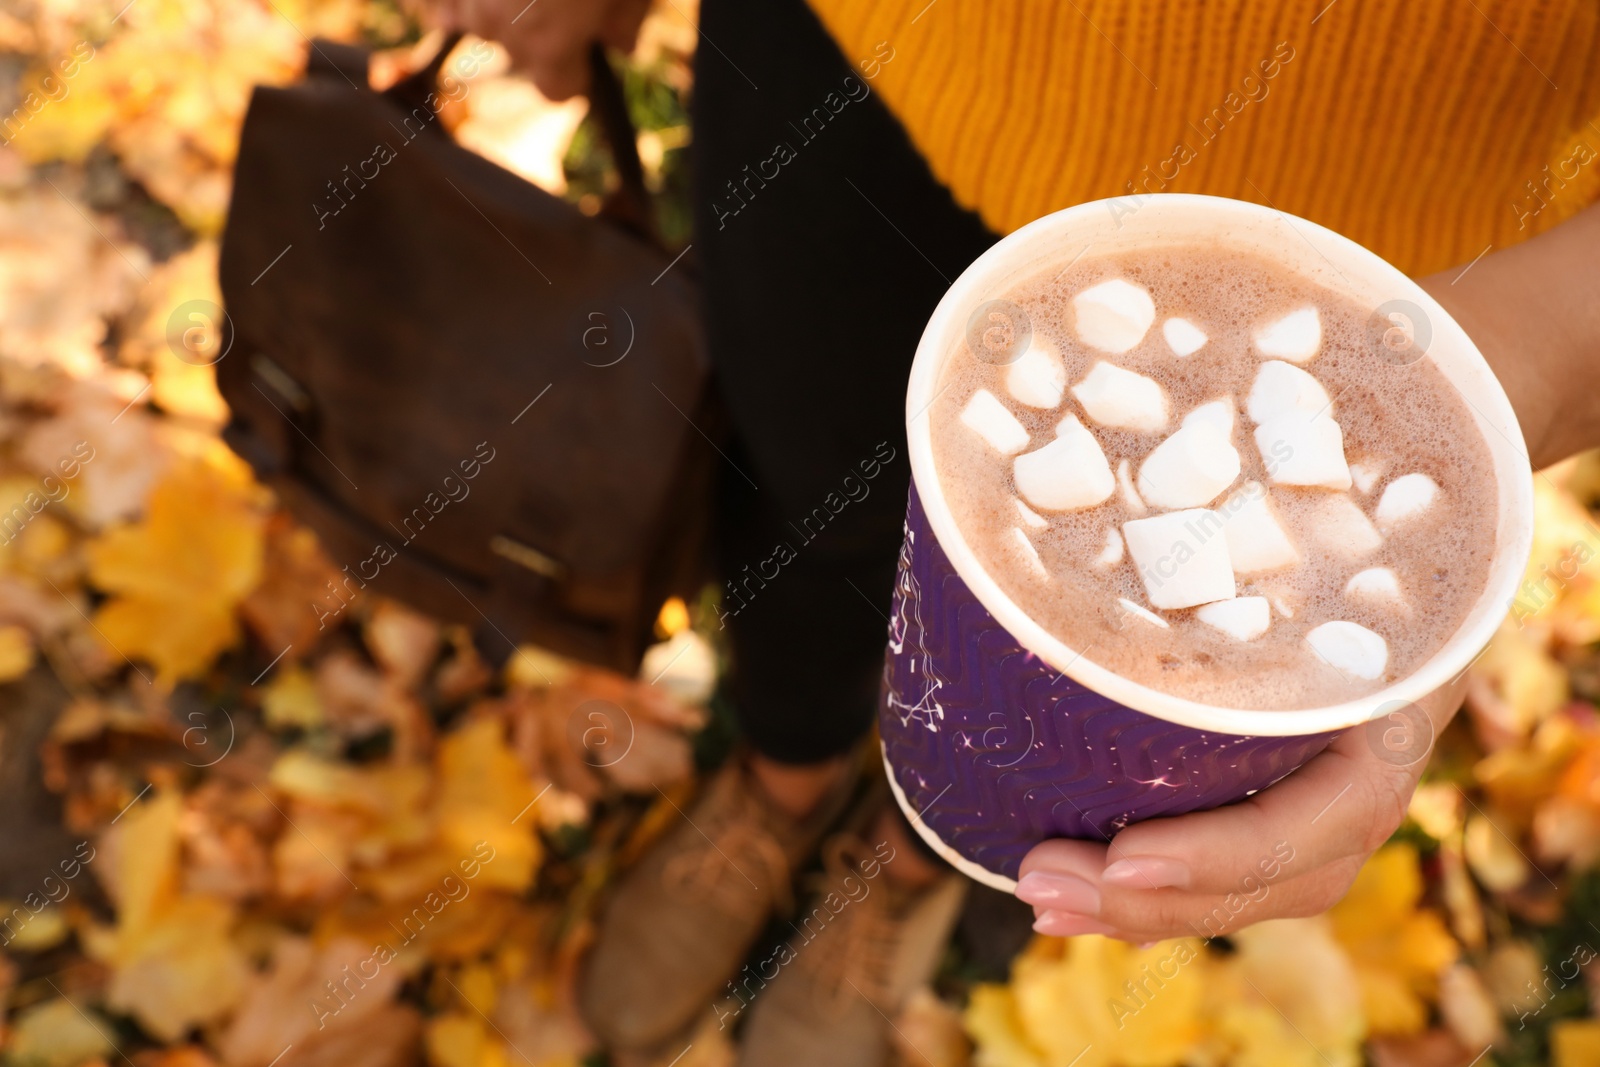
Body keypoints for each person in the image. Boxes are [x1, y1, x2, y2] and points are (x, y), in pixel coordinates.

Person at [426, 0, 1600, 1062]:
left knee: (1061, 706)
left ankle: (907, 861)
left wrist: (1521, 368)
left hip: (1389, 234)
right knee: (802, 469)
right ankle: (778, 778)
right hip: (861, 54)